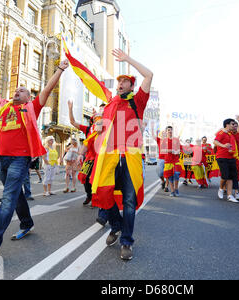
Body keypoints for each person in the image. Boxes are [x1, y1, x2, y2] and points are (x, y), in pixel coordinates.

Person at [0, 59, 69, 262]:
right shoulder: (2, 106)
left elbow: (47, 90)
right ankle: (27, 223)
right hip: (2, 159)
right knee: (16, 195)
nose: (17, 91)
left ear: (28, 97)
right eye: (16, 89)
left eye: (22, 90)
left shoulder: (32, 107)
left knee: (8, 199)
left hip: (20, 159)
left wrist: (59, 70)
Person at [90, 49, 153, 261]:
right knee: (103, 194)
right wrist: (99, 126)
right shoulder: (110, 104)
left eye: (124, 81)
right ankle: (115, 226)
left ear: (131, 86)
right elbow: (101, 126)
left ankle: (126, 241)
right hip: (109, 156)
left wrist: (127, 60)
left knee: (128, 200)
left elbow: (149, 75)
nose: (120, 84)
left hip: (131, 155)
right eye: (119, 82)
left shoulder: (138, 100)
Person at [214, 119, 239, 203]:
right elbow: (215, 141)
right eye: (232, 124)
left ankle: (229, 195)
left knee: (231, 177)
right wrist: (223, 146)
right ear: (227, 125)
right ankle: (221, 189)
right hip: (222, 157)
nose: (234, 125)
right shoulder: (221, 133)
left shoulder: (230, 134)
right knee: (225, 176)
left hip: (231, 157)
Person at [163, 126, 181, 197]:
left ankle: (176, 188)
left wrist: (176, 152)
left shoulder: (176, 140)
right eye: (168, 130)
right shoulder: (164, 140)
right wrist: (171, 151)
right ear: (166, 132)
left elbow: (179, 149)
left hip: (176, 160)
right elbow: (163, 150)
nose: (170, 131)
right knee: (169, 176)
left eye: (171, 130)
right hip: (168, 161)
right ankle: (172, 190)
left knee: (177, 173)